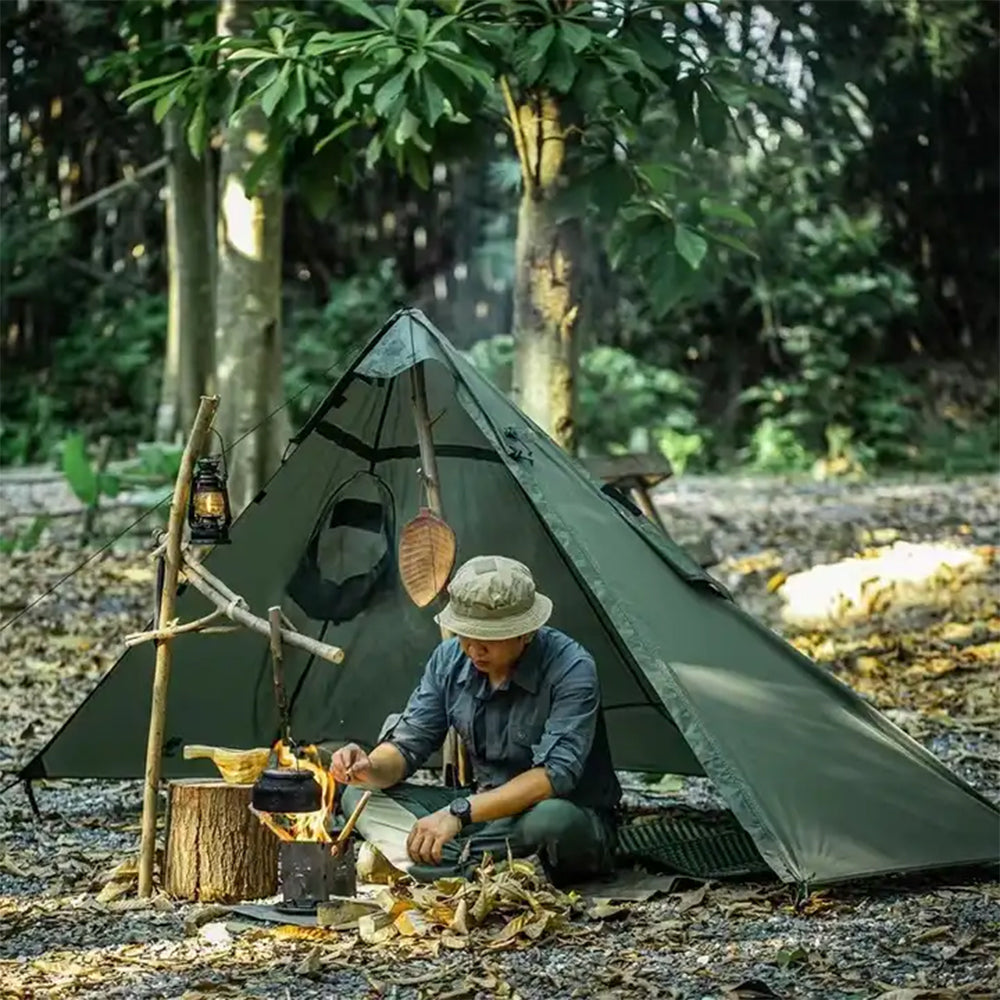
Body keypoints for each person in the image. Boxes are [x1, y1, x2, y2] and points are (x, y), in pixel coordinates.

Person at [331, 555, 622, 885]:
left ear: (526, 632)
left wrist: (457, 813)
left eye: (489, 637)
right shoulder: (450, 659)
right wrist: (369, 767)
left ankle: (438, 865)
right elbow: (407, 744)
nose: (473, 649)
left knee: (551, 821)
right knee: (358, 796)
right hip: (482, 814)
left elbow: (553, 778)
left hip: (558, 815)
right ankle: (478, 871)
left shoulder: (572, 667)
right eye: (465, 634)